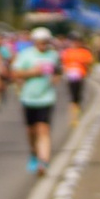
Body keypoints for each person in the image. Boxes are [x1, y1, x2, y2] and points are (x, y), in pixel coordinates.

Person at [13, 25, 62, 172]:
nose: (43, 44)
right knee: (31, 130)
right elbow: (16, 73)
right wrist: (32, 72)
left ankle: (44, 161)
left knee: (44, 129)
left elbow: (58, 70)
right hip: (28, 97)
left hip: (46, 97)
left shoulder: (53, 55)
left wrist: (55, 78)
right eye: (40, 41)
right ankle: (34, 153)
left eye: (45, 41)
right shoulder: (26, 55)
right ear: (35, 41)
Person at [59, 32, 94, 128]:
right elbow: (63, 63)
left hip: (80, 76)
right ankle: (73, 117)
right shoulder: (67, 52)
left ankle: (77, 113)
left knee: (78, 96)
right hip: (70, 76)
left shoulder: (84, 52)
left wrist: (87, 71)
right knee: (72, 97)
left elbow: (88, 64)